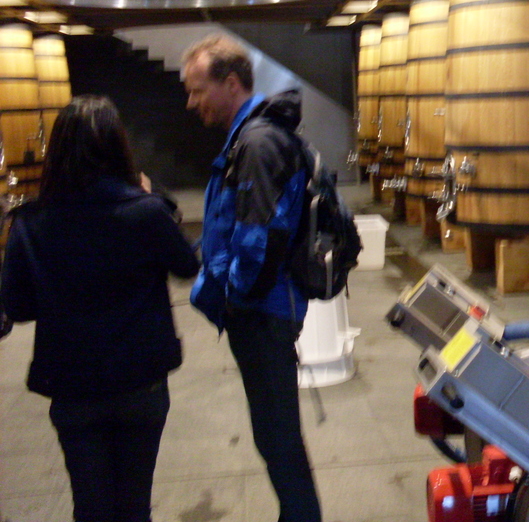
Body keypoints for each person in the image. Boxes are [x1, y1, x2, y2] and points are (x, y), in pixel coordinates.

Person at [0, 95, 200, 522]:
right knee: (134, 504)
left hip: (71, 382)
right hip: (140, 379)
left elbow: (16, 306)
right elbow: (187, 266)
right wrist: (155, 199)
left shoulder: (30, 222)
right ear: (117, 146)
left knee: (90, 506)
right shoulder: (145, 212)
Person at [181, 35, 321, 522]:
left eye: (198, 90)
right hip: (258, 311)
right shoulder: (250, 137)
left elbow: (261, 241)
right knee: (273, 434)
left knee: (278, 436)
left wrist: (236, 299)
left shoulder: (258, 143)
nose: (191, 102)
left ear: (231, 83)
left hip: (263, 314)